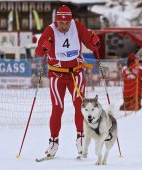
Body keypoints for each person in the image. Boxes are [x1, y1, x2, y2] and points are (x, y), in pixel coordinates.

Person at [35, 5, 100, 158]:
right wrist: (44, 48)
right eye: (61, 23)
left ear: (71, 20)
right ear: (56, 20)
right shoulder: (50, 30)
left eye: (66, 23)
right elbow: (38, 51)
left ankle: (81, 139)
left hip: (76, 73)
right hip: (57, 75)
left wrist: (95, 41)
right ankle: (53, 142)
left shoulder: (77, 27)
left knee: (80, 105)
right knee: (57, 107)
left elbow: (91, 44)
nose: (63, 26)